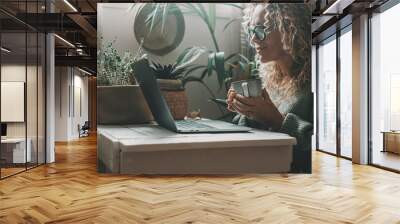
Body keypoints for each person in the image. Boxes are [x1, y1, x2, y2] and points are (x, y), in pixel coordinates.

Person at [227, 3, 313, 173]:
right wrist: (246, 111)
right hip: (265, 166)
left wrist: (276, 120)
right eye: (252, 31)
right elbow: (260, 133)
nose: (254, 39)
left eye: (261, 29)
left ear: (288, 27)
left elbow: (322, 149)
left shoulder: (315, 80)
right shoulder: (272, 79)